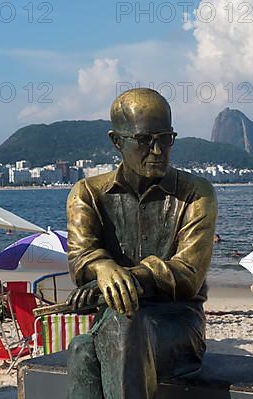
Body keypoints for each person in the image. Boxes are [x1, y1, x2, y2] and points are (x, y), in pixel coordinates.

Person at [64, 88, 218, 399]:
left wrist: (127, 277)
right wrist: (101, 267)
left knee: (110, 333)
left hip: (177, 323)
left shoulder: (197, 194)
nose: (158, 150)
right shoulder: (88, 194)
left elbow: (188, 275)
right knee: (81, 349)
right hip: (113, 322)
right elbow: (81, 260)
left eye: (165, 138)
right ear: (116, 141)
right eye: (146, 140)